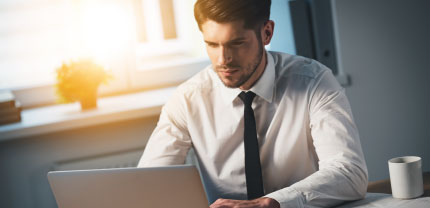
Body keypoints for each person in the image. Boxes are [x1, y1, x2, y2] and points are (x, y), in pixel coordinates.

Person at [138, 0, 368, 207]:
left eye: (236, 43)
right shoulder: (188, 99)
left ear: (267, 33)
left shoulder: (314, 82)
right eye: (212, 44)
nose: (223, 60)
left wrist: (274, 203)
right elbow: (147, 184)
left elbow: (349, 173)